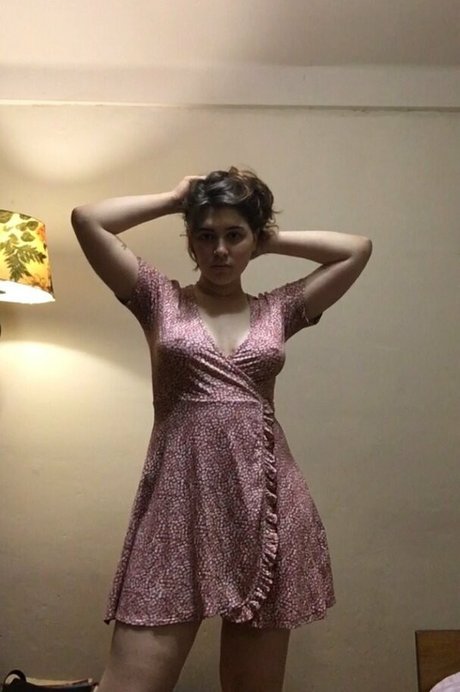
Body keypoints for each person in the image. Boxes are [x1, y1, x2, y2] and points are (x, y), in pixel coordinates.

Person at [71, 166, 372, 692]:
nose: (220, 251)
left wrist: (264, 236)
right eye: (206, 236)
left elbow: (355, 250)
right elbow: (87, 220)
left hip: (267, 508)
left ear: (253, 240)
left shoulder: (278, 310)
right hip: (177, 508)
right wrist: (175, 198)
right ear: (189, 240)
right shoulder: (159, 299)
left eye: (234, 236)